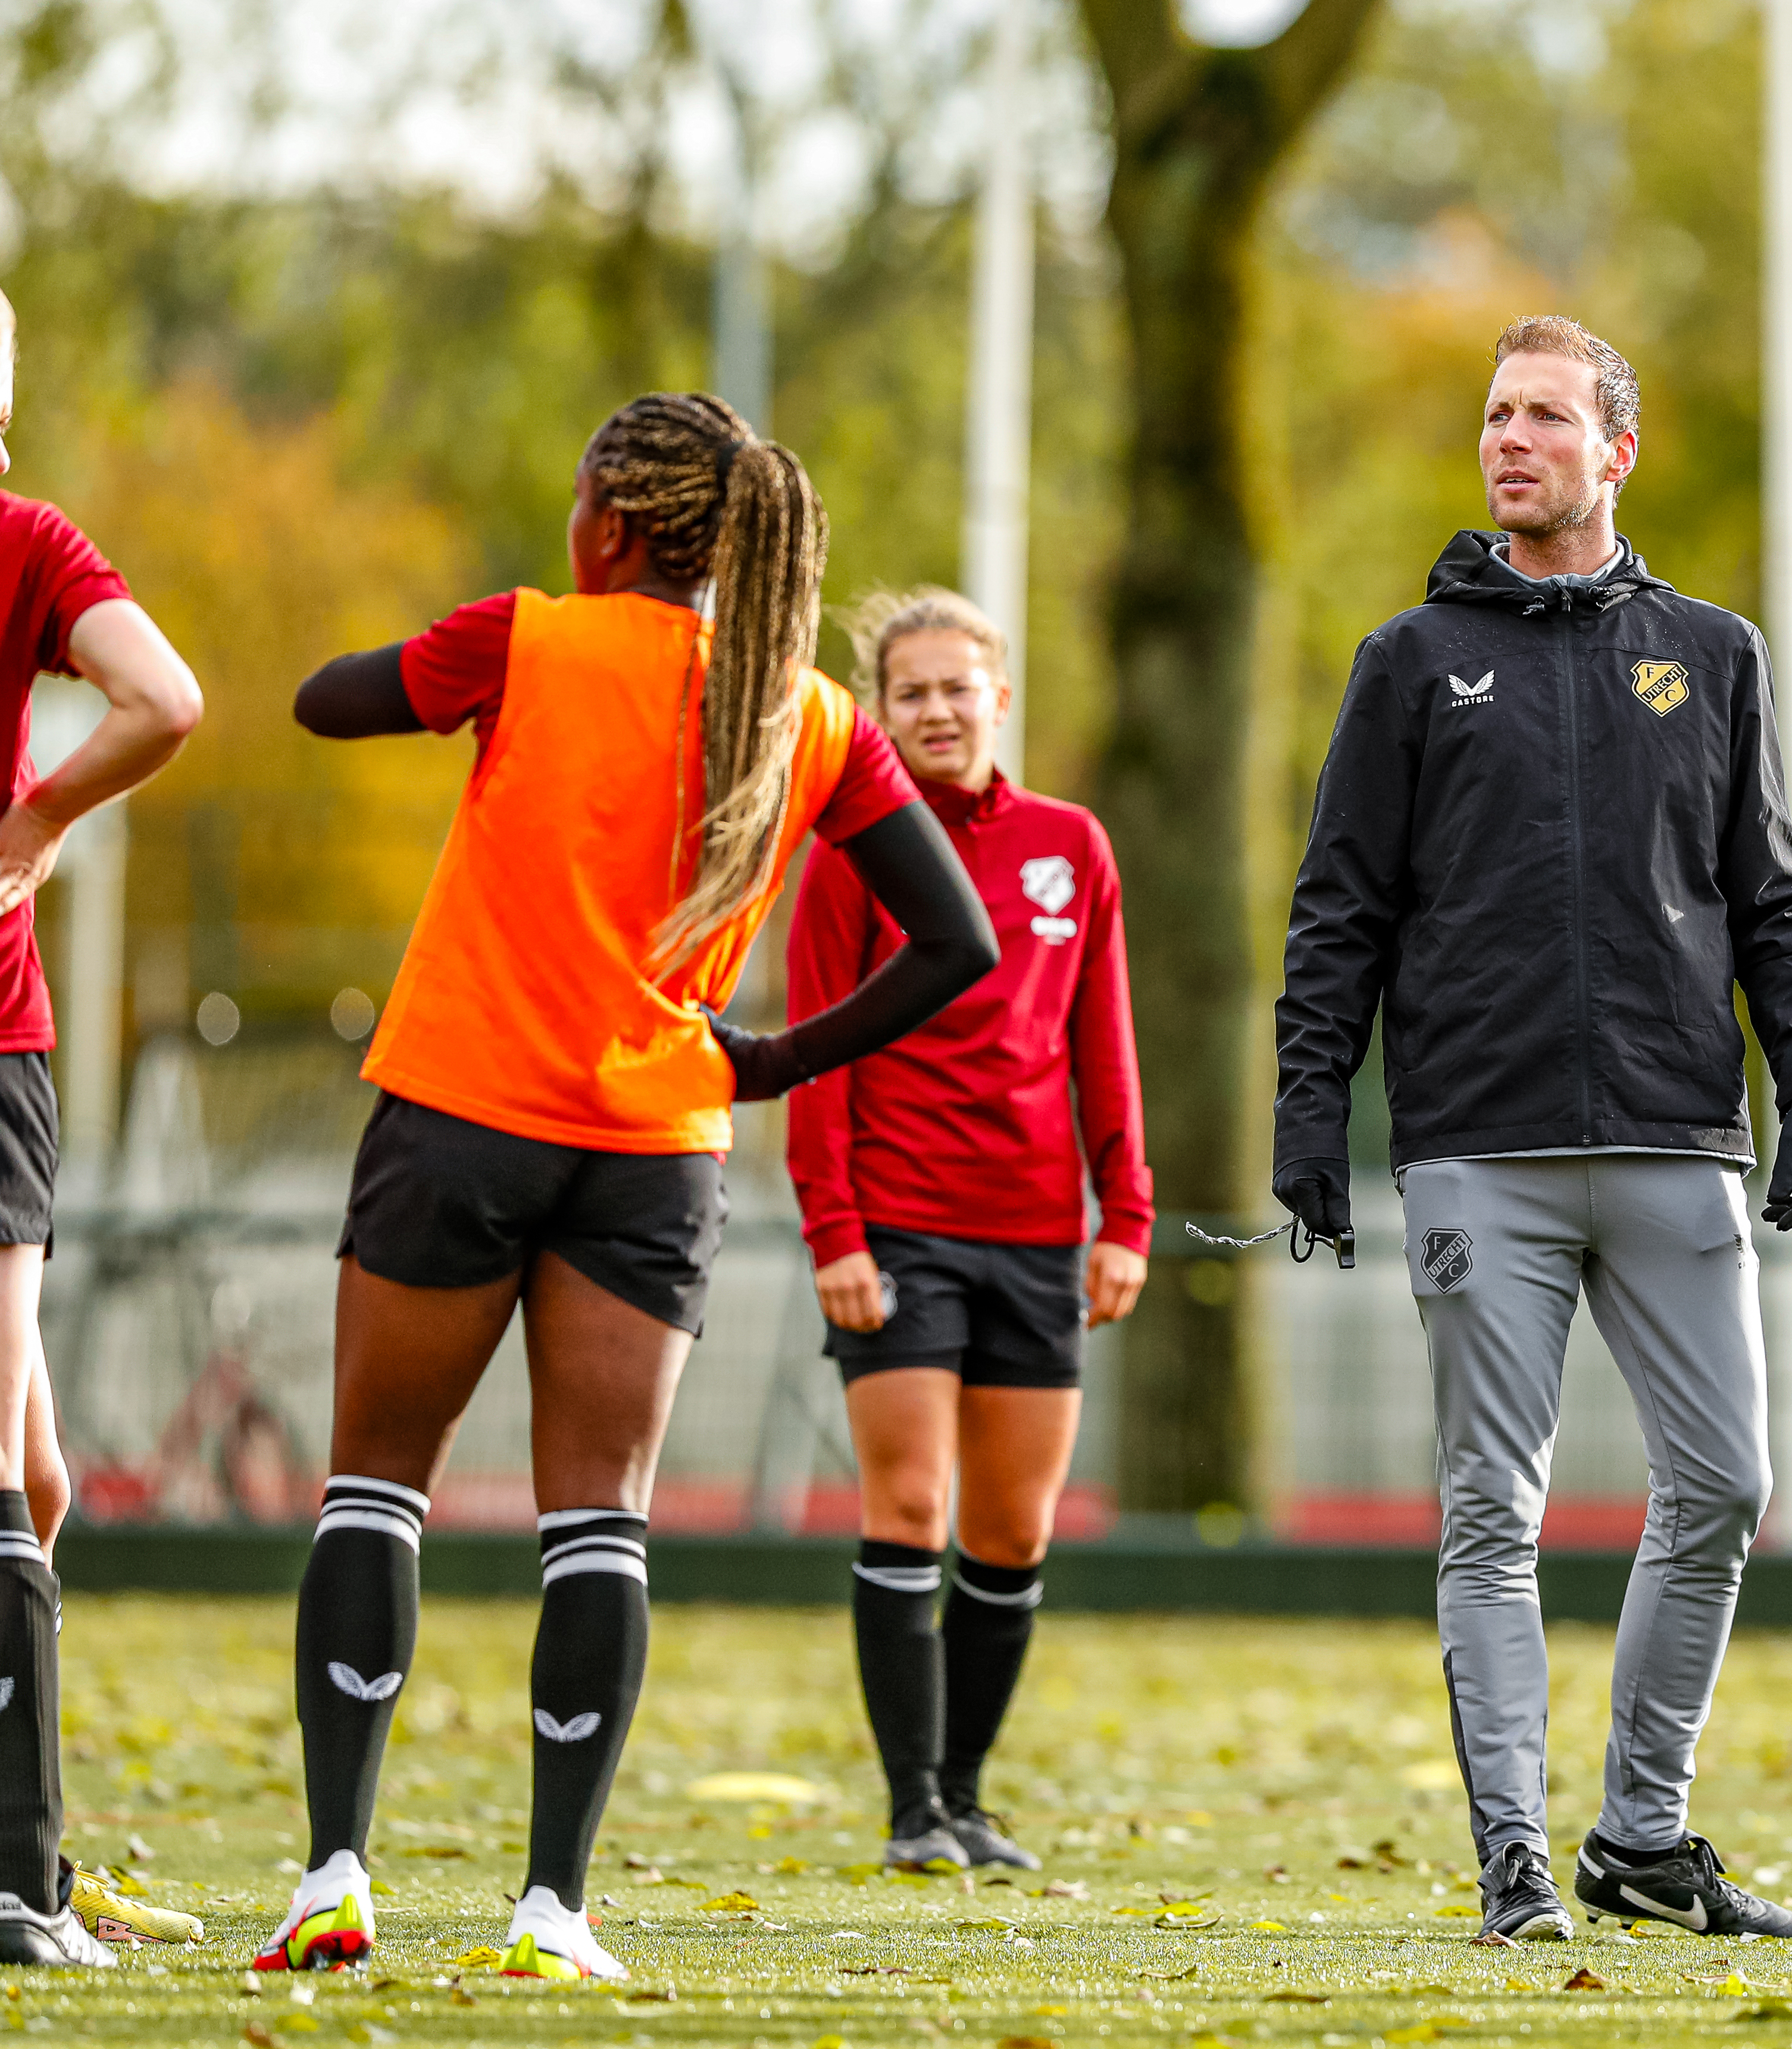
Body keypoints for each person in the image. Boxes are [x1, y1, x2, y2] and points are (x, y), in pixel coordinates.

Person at [263, 393, 997, 1982]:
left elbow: (324, 703)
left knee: (376, 1484)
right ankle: (553, 1907)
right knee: (599, 1521)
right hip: (653, 1150)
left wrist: (455, 666)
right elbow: (960, 944)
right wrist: (769, 1062)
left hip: (458, 1113)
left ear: (611, 518)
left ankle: (334, 1874)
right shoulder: (807, 717)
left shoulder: (526, 638)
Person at [1272, 317, 1792, 1945]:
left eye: (1542, 415)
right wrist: (1310, 1108)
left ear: (1618, 448)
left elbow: (1773, 901)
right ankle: (1515, 1854)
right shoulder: (1407, 661)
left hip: (1679, 1138)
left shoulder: (1714, 654)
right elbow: (1340, 910)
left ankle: (1643, 1837)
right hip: (1477, 1145)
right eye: (1492, 415)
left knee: (1727, 1484)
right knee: (1489, 1509)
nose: (1507, 439)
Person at [786, 588, 1152, 1873]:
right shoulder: (849, 854)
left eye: (958, 687)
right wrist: (832, 1229)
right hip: (897, 1226)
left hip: (1043, 1233)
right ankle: (908, 1814)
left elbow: (1099, 1043)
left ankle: (963, 1795)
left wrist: (1129, 1214)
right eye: (910, 692)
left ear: (1000, 696)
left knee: (1011, 1533)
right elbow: (814, 1057)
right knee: (913, 1500)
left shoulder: (1073, 845)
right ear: (877, 714)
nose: (937, 710)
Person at [0, 289, 206, 1966]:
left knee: (41, 1473)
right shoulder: (26, 537)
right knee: (1, 1469)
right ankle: (15, 1883)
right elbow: (169, 700)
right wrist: (39, 819)